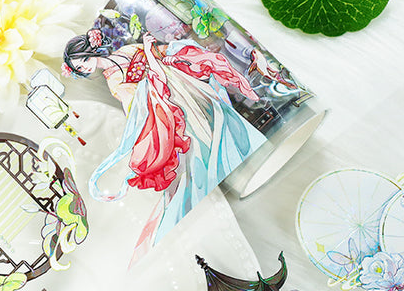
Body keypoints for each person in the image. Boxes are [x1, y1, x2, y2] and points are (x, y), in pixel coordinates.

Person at [63, 29, 267, 253]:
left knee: (214, 117)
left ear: (91, 50)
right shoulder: (113, 79)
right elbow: (135, 104)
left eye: (84, 61)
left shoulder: (125, 51)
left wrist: (164, 54)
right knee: (200, 136)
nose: (85, 68)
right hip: (166, 100)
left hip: (176, 84)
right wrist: (150, 57)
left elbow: (160, 55)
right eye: (80, 68)